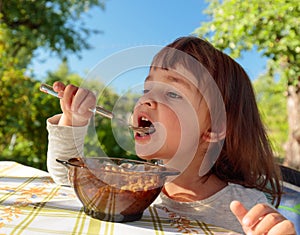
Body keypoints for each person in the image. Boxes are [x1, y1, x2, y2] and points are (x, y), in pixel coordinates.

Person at [46, 36, 296, 234]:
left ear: (214, 129)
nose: (146, 100)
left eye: (173, 94)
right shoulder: (133, 183)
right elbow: (65, 177)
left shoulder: (245, 209)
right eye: (147, 88)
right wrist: (74, 120)